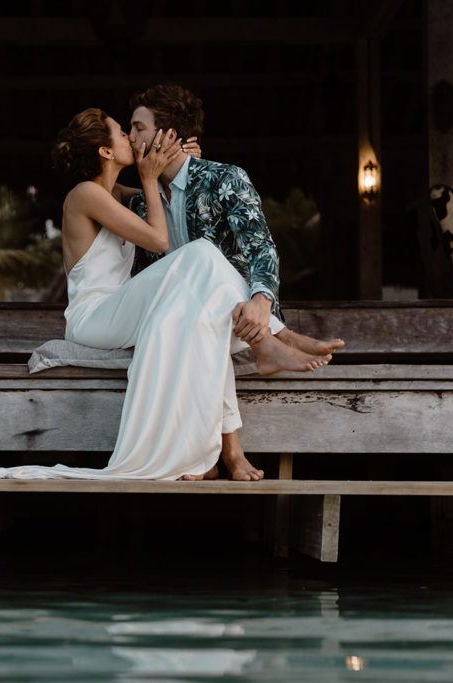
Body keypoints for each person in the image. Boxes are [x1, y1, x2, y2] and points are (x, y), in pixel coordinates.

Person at [0, 109, 331, 482]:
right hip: (95, 318)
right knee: (200, 253)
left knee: (203, 315)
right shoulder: (85, 194)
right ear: (106, 152)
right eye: (123, 133)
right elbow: (159, 238)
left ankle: (222, 435)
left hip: (122, 312)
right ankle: (277, 335)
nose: (130, 140)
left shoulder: (115, 194)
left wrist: (181, 166)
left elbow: (172, 198)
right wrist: (151, 179)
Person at [123, 84, 345, 480]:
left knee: (207, 317)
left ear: (168, 136)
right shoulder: (142, 203)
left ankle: (214, 455)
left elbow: (261, 247)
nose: (130, 137)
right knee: (197, 315)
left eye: (138, 127)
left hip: (242, 316)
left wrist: (262, 299)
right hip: (179, 320)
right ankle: (275, 350)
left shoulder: (223, 178)